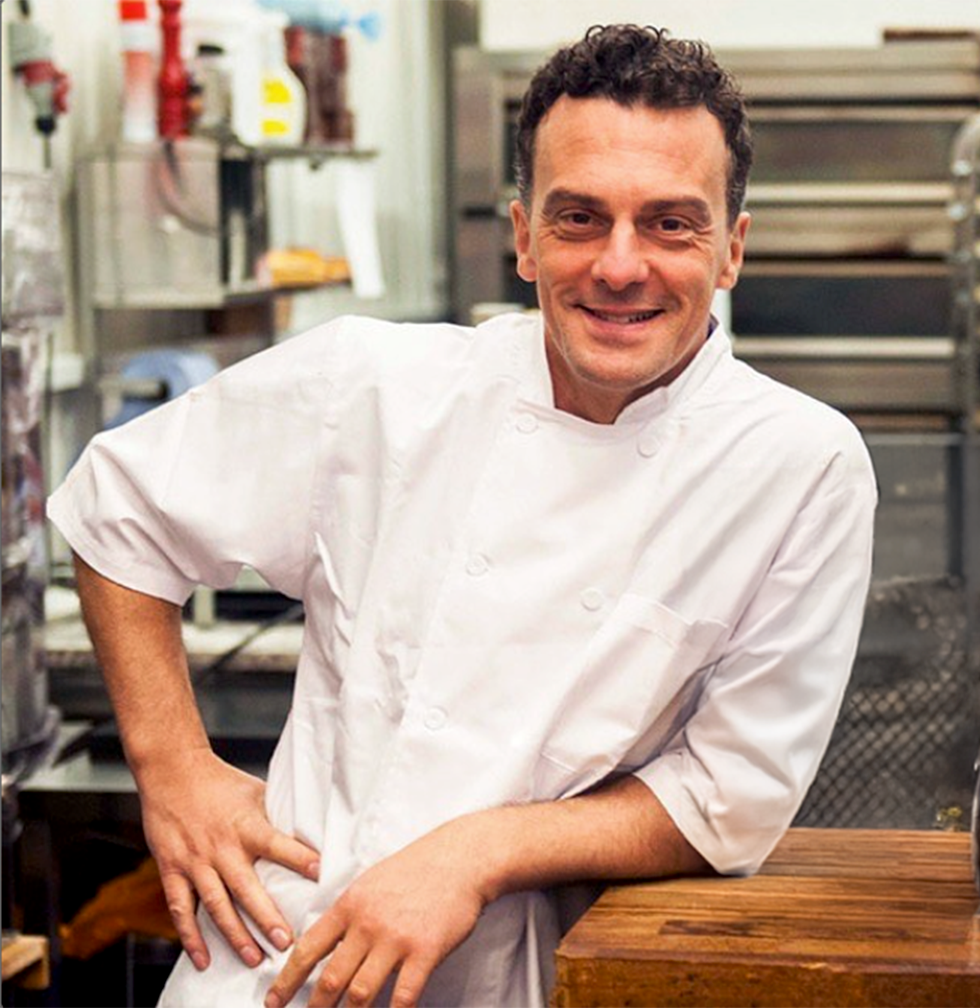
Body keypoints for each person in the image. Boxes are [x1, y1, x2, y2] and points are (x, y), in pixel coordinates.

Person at [48, 24, 876, 1008]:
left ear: (731, 248)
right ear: (522, 235)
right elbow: (117, 509)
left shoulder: (799, 465)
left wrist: (474, 853)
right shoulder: (375, 382)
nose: (620, 265)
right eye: (579, 219)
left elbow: (727, 799)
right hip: (271, 959)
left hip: (521, 978)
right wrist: (174, 769)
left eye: (669, 223)